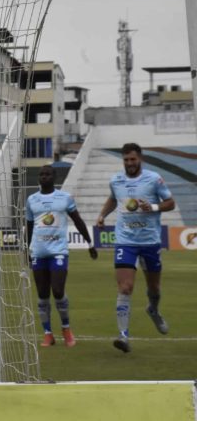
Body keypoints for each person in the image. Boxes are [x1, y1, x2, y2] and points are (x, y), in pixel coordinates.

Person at [96, 143, 175, 353]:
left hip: (150, 241)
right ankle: (123, 336)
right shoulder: (116, 180)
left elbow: (170, 202)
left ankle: (153, 310)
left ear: (140, 159)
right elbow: (113, 199)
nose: (129, 163)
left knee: (154, 289)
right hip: (125, 241)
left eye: (133, 159)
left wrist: (154, 206)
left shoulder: (154, 179)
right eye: (126, 160)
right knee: (125, 287)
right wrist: (103, 215)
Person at [26, 165, 97, 348]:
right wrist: (28, 250)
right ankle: (48, 334)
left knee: (57, 291)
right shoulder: (32, 200)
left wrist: (89, 243)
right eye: (41, 174)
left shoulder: (64, 198)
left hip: (58, 251)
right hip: (39, 252)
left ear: (54, 177)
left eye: (48, 174)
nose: (44, 176)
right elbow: (30, 227)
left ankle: (66, 328)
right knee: (42, 294)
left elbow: (78, 220)